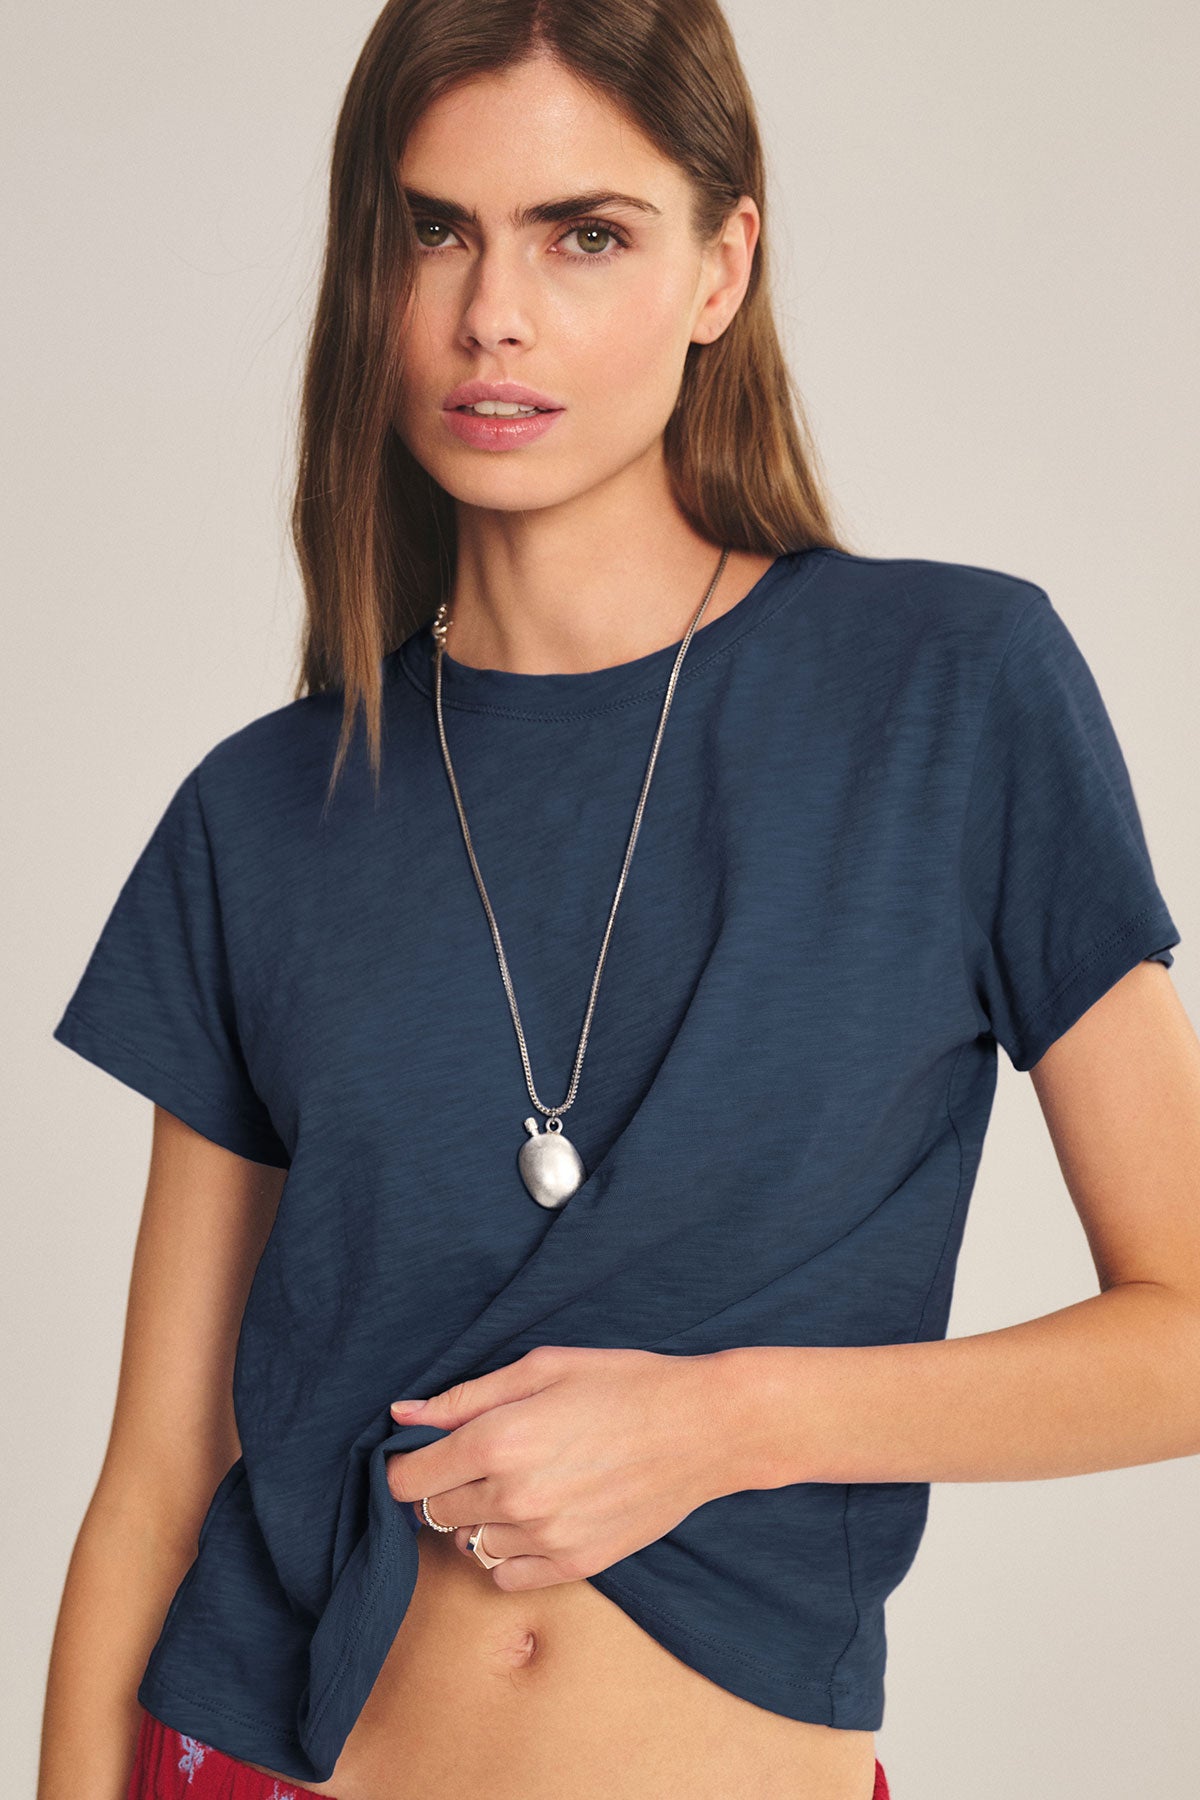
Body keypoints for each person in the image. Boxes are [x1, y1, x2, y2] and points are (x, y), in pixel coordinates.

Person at [38, 4, 1200, 1800]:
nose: (491, 312)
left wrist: (728, 1419)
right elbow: (156, 1474)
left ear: (722, 264)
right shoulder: (262, 816)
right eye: (435, 228)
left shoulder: (949, 692)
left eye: (587, 233)